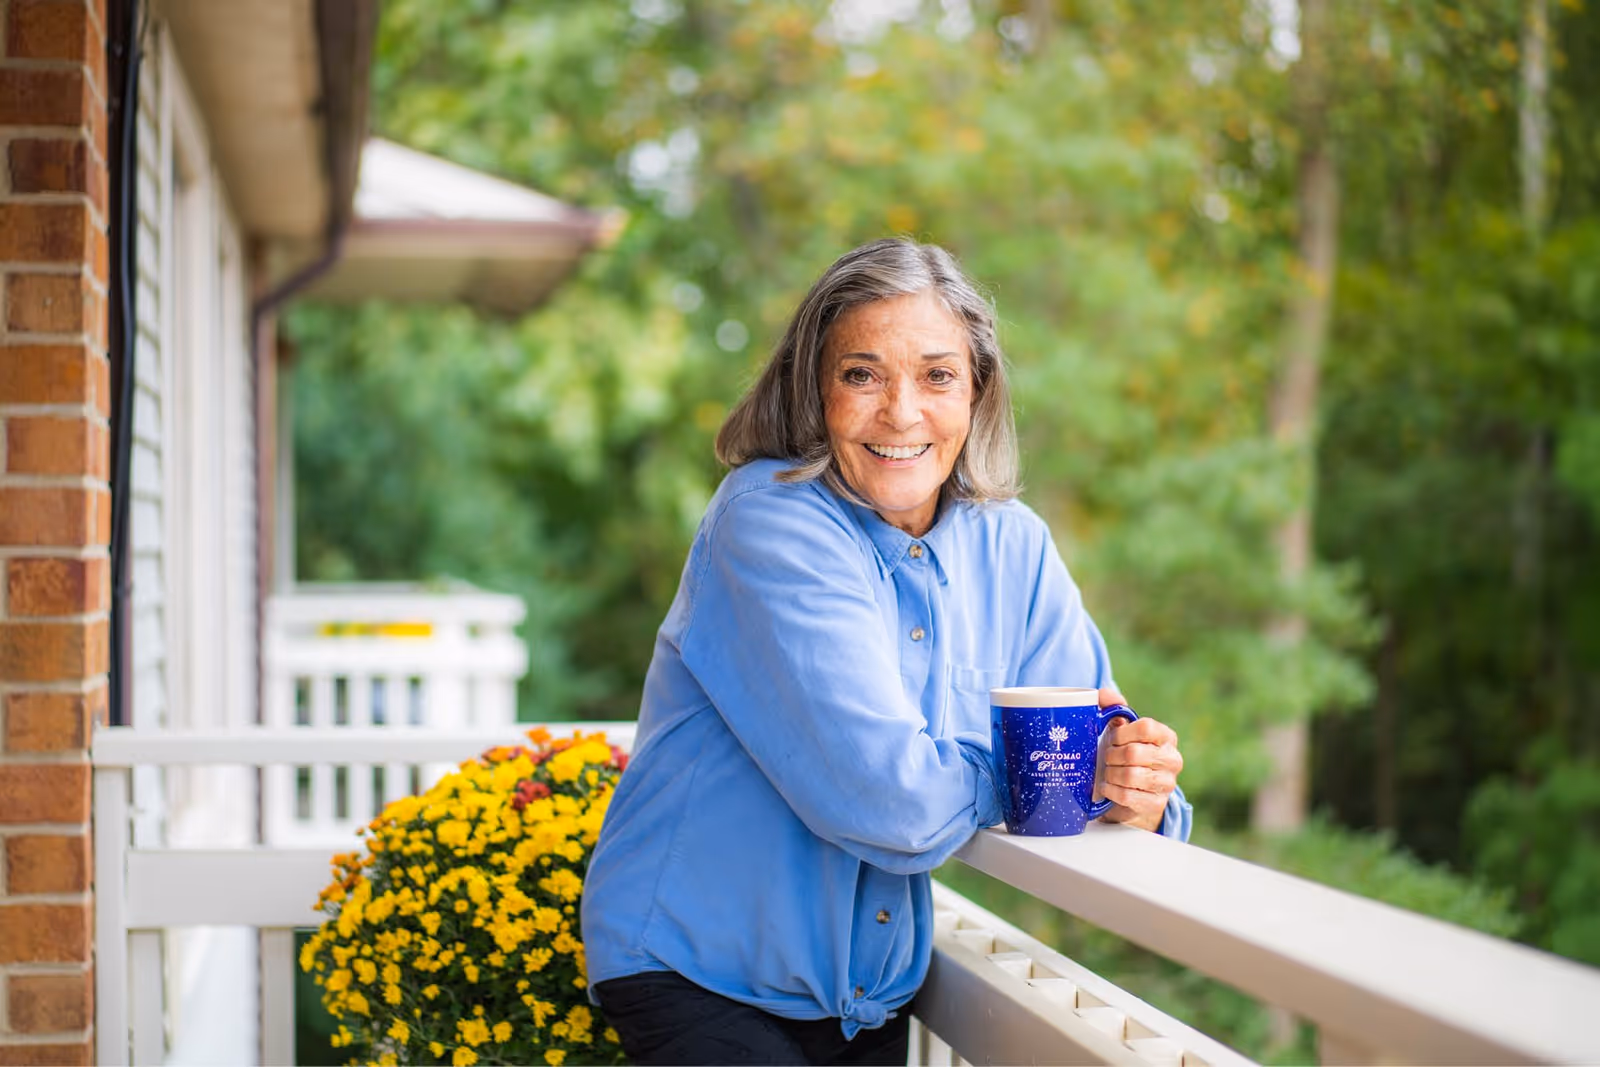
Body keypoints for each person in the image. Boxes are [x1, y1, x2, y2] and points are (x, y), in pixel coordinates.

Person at [581, 238, 1190, 1066]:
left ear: (977, 391)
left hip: (866, 998)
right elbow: (891, 803)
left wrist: (1134, 784)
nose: (901, 412)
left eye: (937, 375)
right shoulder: (770, 521)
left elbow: (1104, 747)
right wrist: (1040, 770)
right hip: (698, 969)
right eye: (862, 374)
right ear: (816, 389)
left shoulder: (1014, 547)